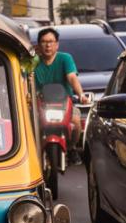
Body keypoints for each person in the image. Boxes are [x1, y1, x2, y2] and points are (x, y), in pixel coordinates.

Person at [34, 27, 90, 160]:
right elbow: (24, 79)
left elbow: (72, 77)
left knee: (76, 122)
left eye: (51, 41)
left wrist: (81, 94)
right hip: (40, 105)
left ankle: (71, 148)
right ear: (38, 44)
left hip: (64, 105)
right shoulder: (33, 62)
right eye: (44, 41)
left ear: (57, 44)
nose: (48, 45)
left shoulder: (65, 58)